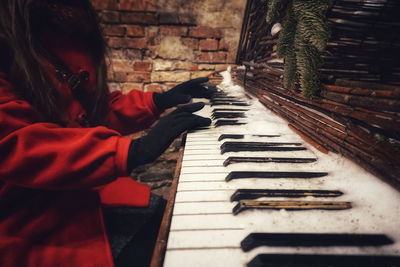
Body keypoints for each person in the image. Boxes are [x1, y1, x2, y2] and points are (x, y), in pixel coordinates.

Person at [0, 0, 213, 266]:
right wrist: (133, 150)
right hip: (31, 223)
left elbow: (91, 112)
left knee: (182, 220)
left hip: (79, 197)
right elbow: (16, 144)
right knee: (182, 245)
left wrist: (159, 100)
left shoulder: (66, 26)